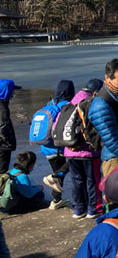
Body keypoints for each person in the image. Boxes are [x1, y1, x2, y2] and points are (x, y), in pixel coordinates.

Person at [64, 79, 103, 219]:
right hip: (88, 151)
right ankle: (94, 209)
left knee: (77, 181)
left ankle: (79, 209)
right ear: (96, 91)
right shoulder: (91, 103)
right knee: (93, 180)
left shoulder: (70, 103)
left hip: (69, 150)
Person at [41, 79, 75, 210]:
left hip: (46, 146)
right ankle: (55, 200)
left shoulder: (49, 103)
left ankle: (57, 199)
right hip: (58, 147)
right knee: (62, 170)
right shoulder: (67, 105)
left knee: (58, 172)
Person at [0, 80, 19, 174]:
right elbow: (3, 127)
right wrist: (8, 144)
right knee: (2, 173)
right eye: (12, 91)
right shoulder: (2, 107)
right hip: (2, 148)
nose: (13, 93)